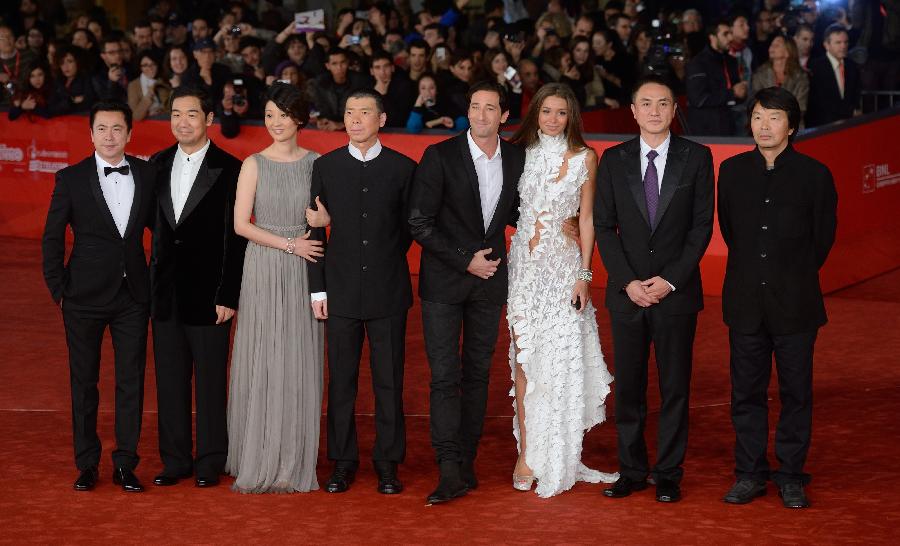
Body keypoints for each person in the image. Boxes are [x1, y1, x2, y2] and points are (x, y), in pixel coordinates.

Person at [595, 75, 715, 503]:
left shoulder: (697, 158)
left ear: (673, 109)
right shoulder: (612, 159)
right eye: (645, 103)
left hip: (675, 293)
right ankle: (631, 469)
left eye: (662, 103)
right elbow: (605, 228)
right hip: (627, 295)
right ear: (632, 110)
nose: (654, 111)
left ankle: (668, 473)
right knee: (628, 387)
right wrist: (628, 281)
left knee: (674, 387)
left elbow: (702, 227)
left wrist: (669, 280)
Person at [718, 87, 836, 509]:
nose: (764, 126)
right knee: (746, 394)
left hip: (796, 303)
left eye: (773, 117)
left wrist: (788, 274)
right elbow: (731, 232)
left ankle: (790, 475)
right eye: (757, 117)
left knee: (796, 393)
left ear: (792, 125)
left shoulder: (815, 175)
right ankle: (750, 473)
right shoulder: (731, 172)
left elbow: (822, 241)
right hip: (745, 301)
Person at [408, 81, 526, 505]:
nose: (480, 115)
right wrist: (465, 259)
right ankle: (448, 468)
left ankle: (467, 462)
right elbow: (419, 223)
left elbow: (517, 212)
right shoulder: (439, 156)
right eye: (475, 107)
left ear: (504, 116)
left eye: (490, 108)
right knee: (444, 377)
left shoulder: (516, 158)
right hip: (444, 281)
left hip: (491, 280)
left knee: (477, 374)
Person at [505, 83, 617, 497]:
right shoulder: (519, 154)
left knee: (561, 359)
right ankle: (527, 454)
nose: (553, 119)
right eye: (546, 111)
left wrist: (584, 276)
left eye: (561, 113)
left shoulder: (587, 158)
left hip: (564, 271)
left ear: (572, 117)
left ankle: (563, 450)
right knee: (525, 359)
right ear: (535, 113)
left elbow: (586, 220)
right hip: (524, 272)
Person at [305, 90, 417, 495]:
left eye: (364, 112)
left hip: (389, 290)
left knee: (390, 380)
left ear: (382, 119)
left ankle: (388, 463)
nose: (355, 119)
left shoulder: (404, 168)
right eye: (349, 112)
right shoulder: (326, 166)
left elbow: (408, 229)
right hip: (339, 291)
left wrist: (383, 258)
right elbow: (314, 231)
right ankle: (343, 462)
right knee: (342, 381)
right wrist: (317, 289)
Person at [41, 101, 157, 492]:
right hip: (82, 297)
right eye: (102, 129)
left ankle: (126, 462)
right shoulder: (69, 179)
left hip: (133, 297)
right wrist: (59, 289)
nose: (110, 136)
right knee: (84, 382)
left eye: (117, 129)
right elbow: (52, 238)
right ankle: (87, 463)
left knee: (131, 382)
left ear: (129, 133)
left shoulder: (146, 173)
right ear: (91, 134)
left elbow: (161, 232)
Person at [225, 82, 324, 493]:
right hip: (265, 266)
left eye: (283, 115)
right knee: (263, 356)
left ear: (299, 118)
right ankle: (257, 453)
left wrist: (317, 228)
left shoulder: (319, 162)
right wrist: (289, 244)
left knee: (298, 359)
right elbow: (241, 224)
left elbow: (325, 217)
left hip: (305, 269)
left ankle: (292, 458)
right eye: (269, 115)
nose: (275, 123)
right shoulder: (253, 164)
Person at [148, 86, 247, 488]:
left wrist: (228, 294)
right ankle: (174, 459)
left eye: (191, 114)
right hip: (166, 293)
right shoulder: (155, 165)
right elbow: (155, 229)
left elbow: (236, 238)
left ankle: (209, 459)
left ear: (209, 119)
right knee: (169, 380)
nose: (182, 122)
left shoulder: (231, 168)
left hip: (210, 294)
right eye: (175, 114)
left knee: (210, 381)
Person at [685, 21, 748, 136]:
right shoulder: (698, 63)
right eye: (725, 34)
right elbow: (698, 99)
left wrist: (742, 92)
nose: (730, 38)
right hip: (706, 130)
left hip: (731, 125)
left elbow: (737, 94)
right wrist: (732, 93)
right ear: (712, 37)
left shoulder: (731, 61)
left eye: (730, 33)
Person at [805, 24, 861, 128]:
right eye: (838, 42)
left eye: (846, 42)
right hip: (822, 127)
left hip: (849, 125)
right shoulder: (816, 66)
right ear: (826, 45)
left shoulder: (852, 66)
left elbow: (855, 96)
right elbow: (819, 101)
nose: (843, 46)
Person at [307, 48, 369, 131]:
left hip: (356, 127)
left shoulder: (360, 81)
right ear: (328, 66)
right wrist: (322, 119)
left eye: (342, 62)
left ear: (347, 63)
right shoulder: (320, 83)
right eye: (334, 64)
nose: (339, 67)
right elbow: (320, 108)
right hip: (330, 126)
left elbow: (367, 111)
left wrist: (342, 125)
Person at [752, 35, 809, 119]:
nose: (772, 48)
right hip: (766, 124)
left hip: (793, 126)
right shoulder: (760, 73)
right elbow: (756, 102)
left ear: (788, 51)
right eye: (771, 45)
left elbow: (801, 107)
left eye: (777, 45)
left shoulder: (800, 76)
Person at [370, 50, 414, 128]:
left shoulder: (404, 87)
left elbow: (398, 121)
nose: (382, 72)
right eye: (377, 67)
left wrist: (384, 95)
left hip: (397, 134)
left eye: (386, 66)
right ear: (372, 71)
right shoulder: (367, 87)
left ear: (392, 68)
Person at [127, 50, 170, 121]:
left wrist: (161, 110)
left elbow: (171, 108)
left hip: (164, 121)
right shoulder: (133, 85)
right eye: (145, 65)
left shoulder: (164, 81)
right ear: (140, 67)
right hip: (145, 125)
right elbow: (135, 116)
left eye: (153, 64)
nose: (150, 68)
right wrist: (149, 95)